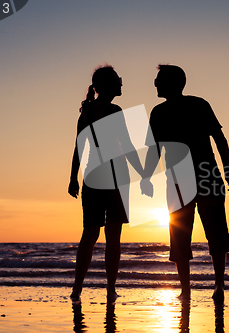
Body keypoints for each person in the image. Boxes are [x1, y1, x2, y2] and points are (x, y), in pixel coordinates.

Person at [141, 64, 229, 301]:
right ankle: (191, 289)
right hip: (185, 179)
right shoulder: (160, 112)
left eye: (158, 80)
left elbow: (218, 137)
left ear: (172, 82)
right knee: (184, 235)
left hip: (202, 176)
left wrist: (228, 170)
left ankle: (214, 286)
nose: (154, 83)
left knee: (212, 232)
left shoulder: (197, 105)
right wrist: (146, 177)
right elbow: (154, 150)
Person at [68, 65, 144, 304]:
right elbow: (127, 146)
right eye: (117, 80)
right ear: (107, 86)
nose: (121, 83)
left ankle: (77, 290)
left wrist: (73, 178)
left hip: (92, 175)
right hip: (116, 176)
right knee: (113, 236)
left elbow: (79, 148)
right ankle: (110, 290)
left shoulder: (87, 111)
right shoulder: (114, 110)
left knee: (89, 234)